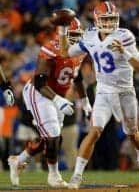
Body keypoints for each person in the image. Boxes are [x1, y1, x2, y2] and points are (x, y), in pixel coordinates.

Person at [60, 1, 139, 189]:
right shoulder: (90, 36)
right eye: (106, 19)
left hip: (125, 92)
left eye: (112, 19)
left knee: (132, 134)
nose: (110, 23)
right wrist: (62, 32)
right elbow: (66, 53)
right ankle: (77, 176)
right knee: (95, 131)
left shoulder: (124, 36)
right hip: (102, 91)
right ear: (96, 19)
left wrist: (124, 52)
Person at [7, 17, 92, 187]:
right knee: (53, 134)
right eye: (72, 35)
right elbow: (39, 83)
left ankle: (18, 160)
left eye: (78, 35)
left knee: (53, 139)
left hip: (57, 95)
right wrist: (58, 100)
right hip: (39, 93)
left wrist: (84, 100)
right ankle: (54, 176)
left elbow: (77, 76)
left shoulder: (80, 51)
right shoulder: (50, 49)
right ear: (62, 35)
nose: (76, 40)